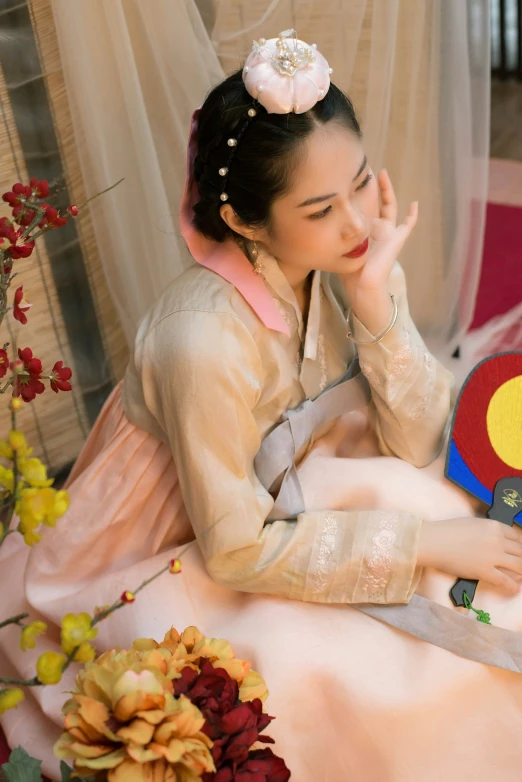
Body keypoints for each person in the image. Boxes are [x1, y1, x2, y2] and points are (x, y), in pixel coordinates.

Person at [2, 30, 522, 781]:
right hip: (177, 540)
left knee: (441, 500)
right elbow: (237, 549)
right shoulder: (204, 343)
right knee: (355, 670)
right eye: (320, 208)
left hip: (285, 486)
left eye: (361, 183)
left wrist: (374, 296)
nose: (355, 223)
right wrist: (419, 547)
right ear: (245, 222)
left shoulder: (340, 259)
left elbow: (418, 438)